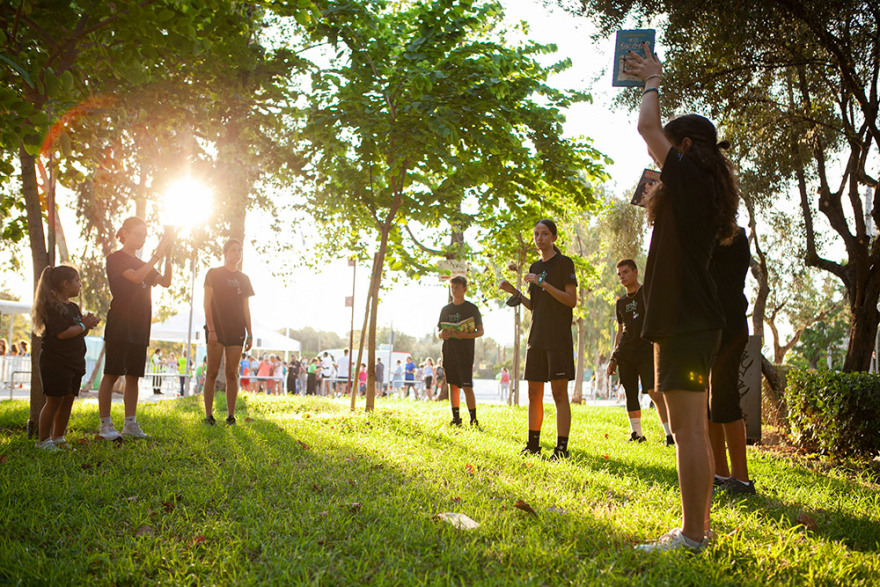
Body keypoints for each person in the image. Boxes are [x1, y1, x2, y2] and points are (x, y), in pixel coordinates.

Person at [626, 45, 739, 553]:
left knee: (689, 430)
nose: (659, 157)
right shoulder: (695, 186)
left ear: (687, 146)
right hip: (685, 320)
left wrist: (652, 79)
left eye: (670, 149)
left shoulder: (690, 176)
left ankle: (694, 536)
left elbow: (647, 129)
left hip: (688, 321)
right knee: (685, 427)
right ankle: (697, 530)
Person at [500, 219, 577, 460]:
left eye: (544, 234)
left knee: (559, 394)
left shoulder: (564, 263)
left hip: (558, 338)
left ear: (553, 237)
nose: (539, 238)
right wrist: (515, 293)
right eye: (536, 234)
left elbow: (570, 300)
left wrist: (543, 283)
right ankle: (533, 445)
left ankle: (561, 449)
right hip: (536, 338)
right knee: (534, 394)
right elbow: (536, 306)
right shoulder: (534, 266)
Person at [97, 217, 174, 440]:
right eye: (139, 234)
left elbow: (166, 281)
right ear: (125, 233)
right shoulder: (115, 258)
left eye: (145, 235)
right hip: (121, 323)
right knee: (111, 373)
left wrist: (168, 254)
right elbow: (135, 277)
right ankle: (105, 425)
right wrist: (157, 254)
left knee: (134, 376)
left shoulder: (144, 263)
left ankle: (130, 424)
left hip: (141, 324)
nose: (142, 239)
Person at [32, 266, 101, 450]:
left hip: (74, 361)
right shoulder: (52, 307)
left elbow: (78, 332)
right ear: (65, 283)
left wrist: (87, 325)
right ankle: (44, 441)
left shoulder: (73, 307)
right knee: (53, 401)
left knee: (68, 399)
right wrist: (82, 324)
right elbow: (62, 333)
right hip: (55, 361)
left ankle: (59, 438)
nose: (80, 284)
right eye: (77, 281)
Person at [709, 226, 755, 495]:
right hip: (705, 328)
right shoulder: (700, 232)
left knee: (724, 398)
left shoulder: (734, 235)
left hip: (729, 326)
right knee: (708, 404)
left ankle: (742, 479)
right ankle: (721, 473)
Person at [608, 259, 672, 445]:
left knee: (655, 393)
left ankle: (670, 435)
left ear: (635, 272)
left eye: (625, 272)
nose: (622, 277)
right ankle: (637, 434)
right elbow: (620, 332)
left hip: (647, 351)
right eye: (619, 274)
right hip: (626, 353)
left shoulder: (647, 294)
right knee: (630, 393)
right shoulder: (620, 302)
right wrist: (614, 358)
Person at [202, 238, 254, 424]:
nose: (237, 253)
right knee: (212, 372)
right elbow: (207, 303)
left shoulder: (244, 279)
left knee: (232, 373)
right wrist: (212, 329)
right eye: (233, 250)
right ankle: (208, 415)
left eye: (239, 250)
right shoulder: (213, 274)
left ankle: (231, 416)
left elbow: (246, 308)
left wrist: (250, 333)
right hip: (216, 329)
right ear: (225, 253)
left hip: (236, 331)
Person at [438, 276, 484, 426]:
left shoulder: (472, 309)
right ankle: (456, 418)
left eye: (457, 287)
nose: (455, 290)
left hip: (465, 353)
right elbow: (438, 332)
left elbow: (481, 331)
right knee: (452, 385)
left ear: (464, 289)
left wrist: (466, 335)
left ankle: (473, 418)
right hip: (449, 352)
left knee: (466, 386)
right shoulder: (445, 309)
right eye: (452, 287)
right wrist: (442, 334)